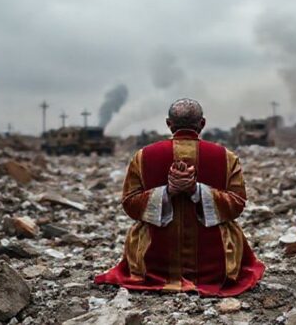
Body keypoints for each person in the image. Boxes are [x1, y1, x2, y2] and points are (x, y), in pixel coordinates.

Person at [95, 98, 265, 296]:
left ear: (169, 124)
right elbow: (237, 204)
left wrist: (168, 192)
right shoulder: (227, 157)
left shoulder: (143, 156)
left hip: (154, 264)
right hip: (215, 266)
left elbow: (130, 204)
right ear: (202, 123)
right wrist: (196, 191)